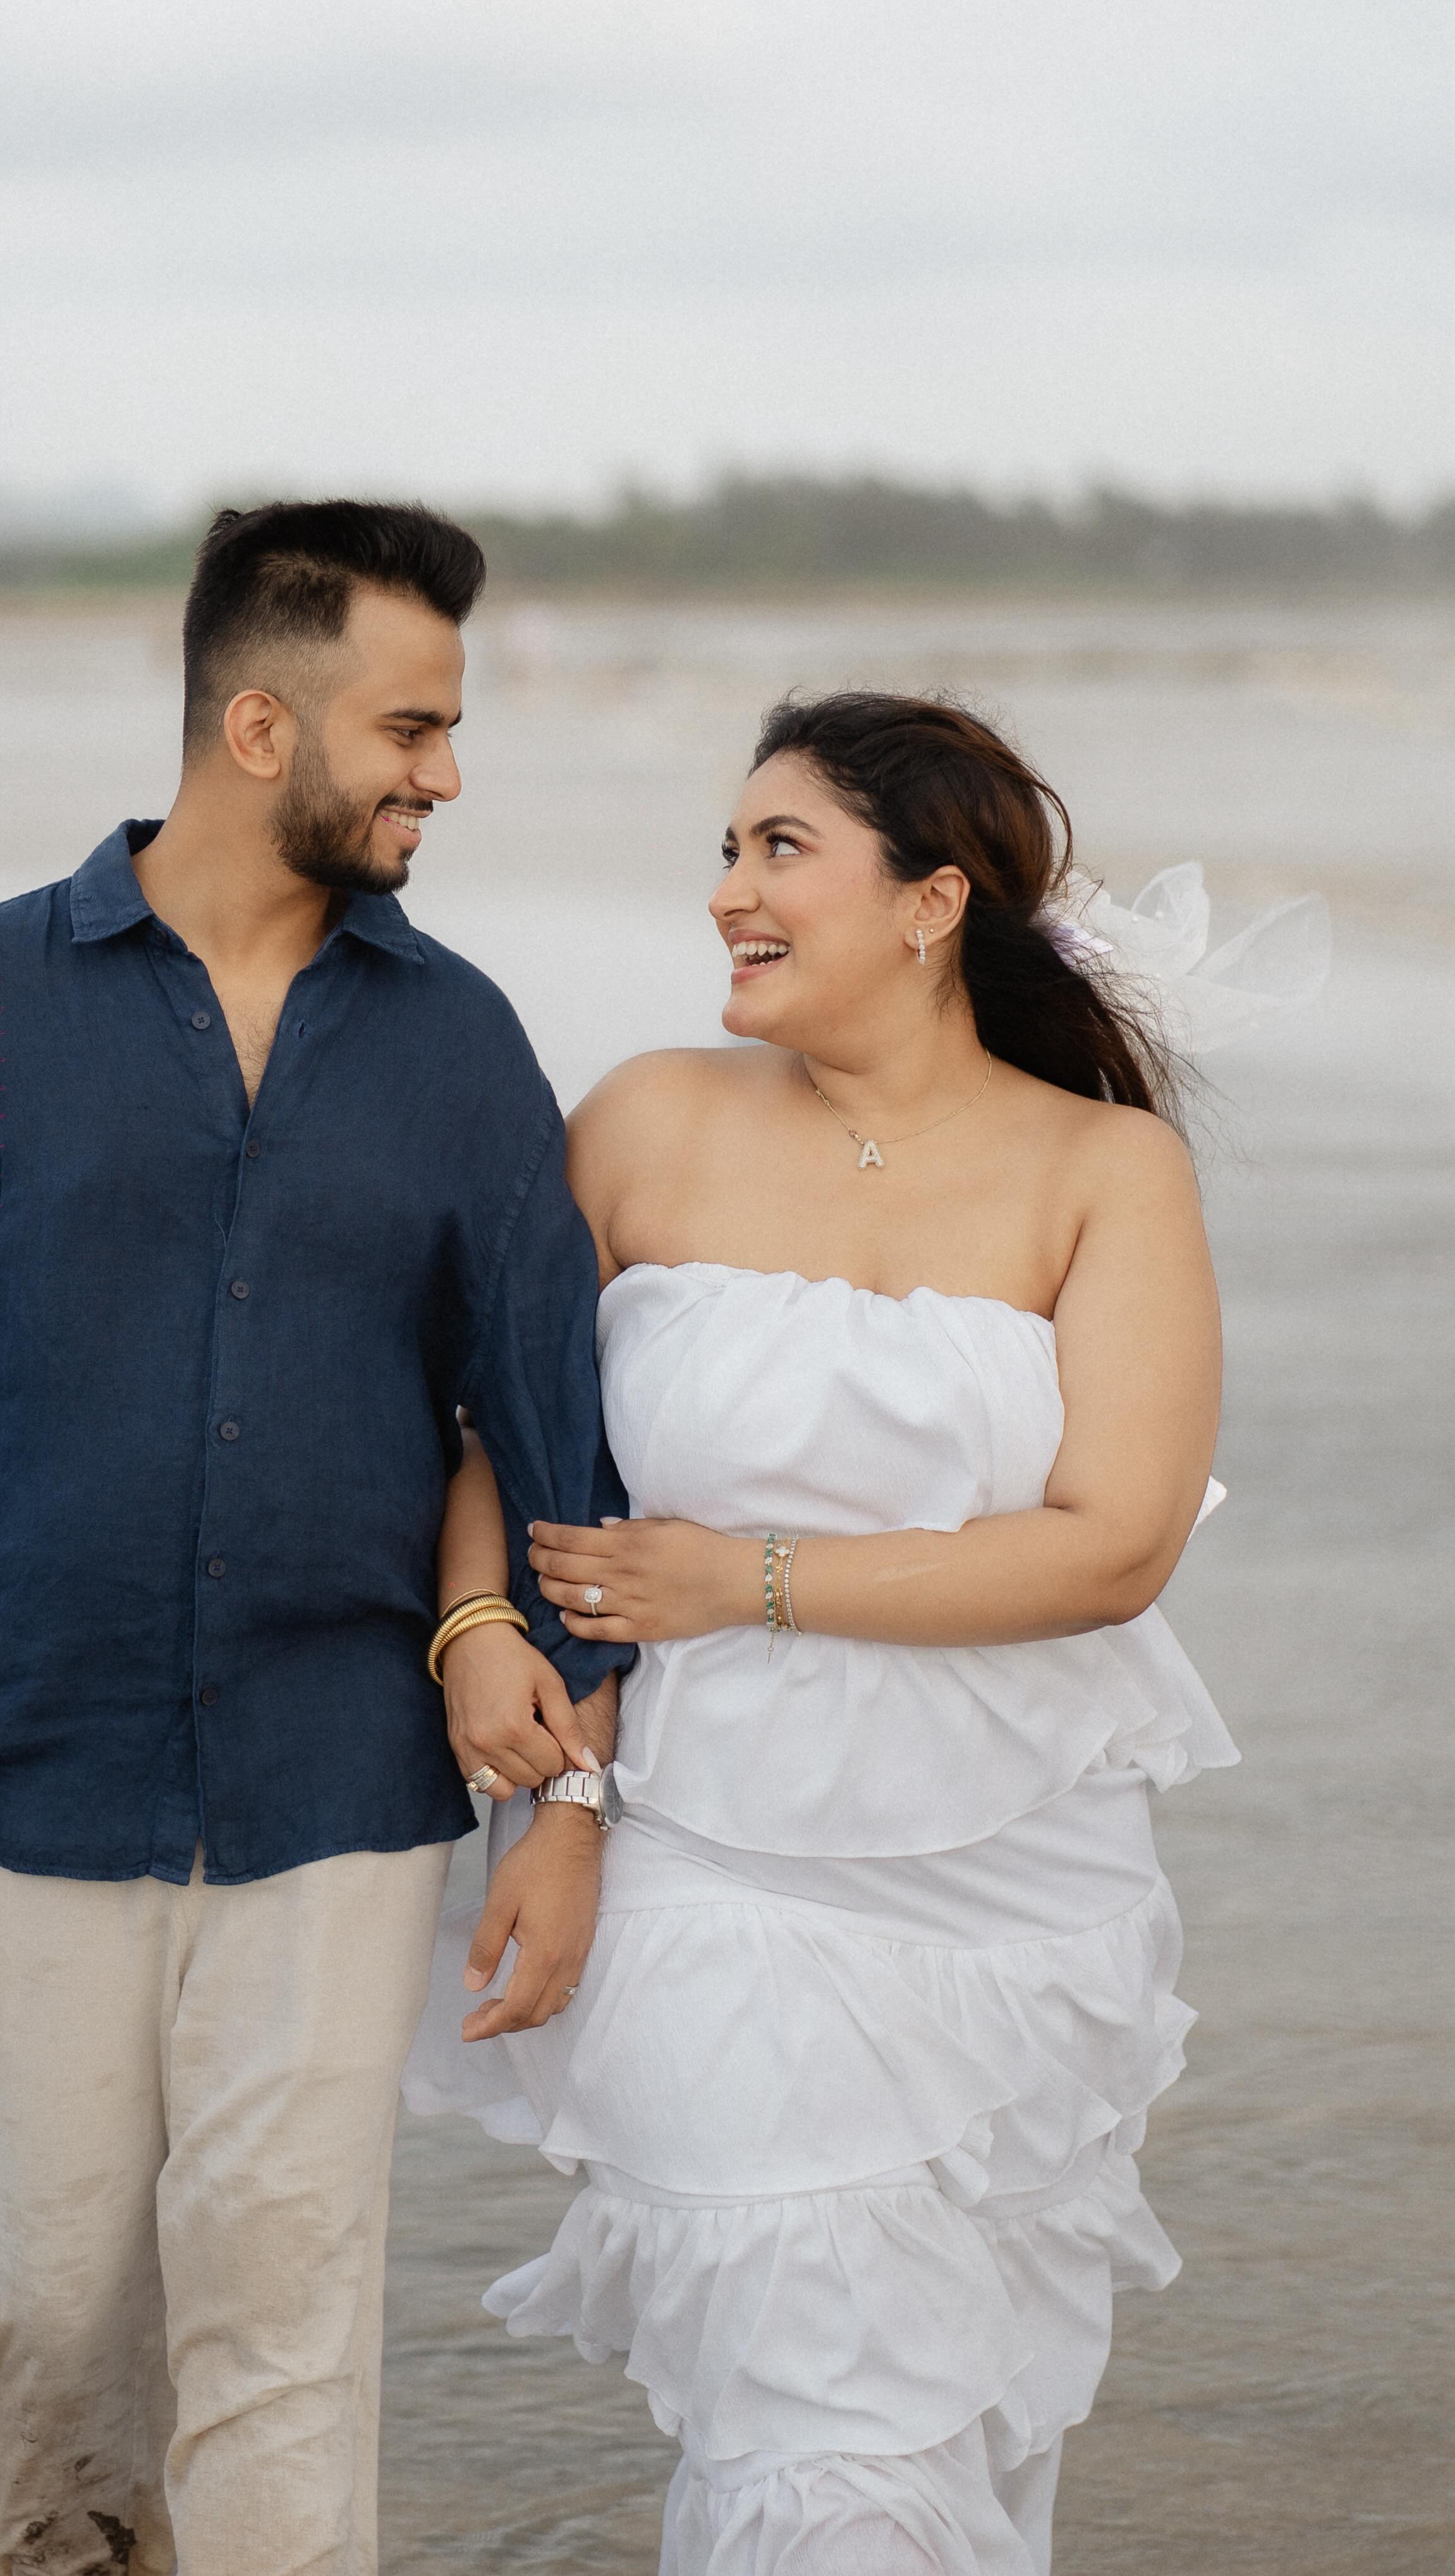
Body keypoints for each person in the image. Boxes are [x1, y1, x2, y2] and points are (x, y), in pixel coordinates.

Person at [0, 499, 626, 2576]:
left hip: (340, 1797)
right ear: (261, 727)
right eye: (409, 723)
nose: (444, 768)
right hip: (19, 1783)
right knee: (55, 2319)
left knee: (288, 2318)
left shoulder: (464, 1047)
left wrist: (574, 1811)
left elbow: (554, 1445)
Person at [408, 690, 1238, 2576]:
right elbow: (503, 1430)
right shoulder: (640, 1121)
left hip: (1016, 1884)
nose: (727, 893)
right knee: (814, 2415)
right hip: (702, 1851)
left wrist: (744, 1576)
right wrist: (482, 1635)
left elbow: (1111, 1550)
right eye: (725, 849)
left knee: (952, 2421)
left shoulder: (1104, 1173)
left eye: (780, 848)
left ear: (933, 900)